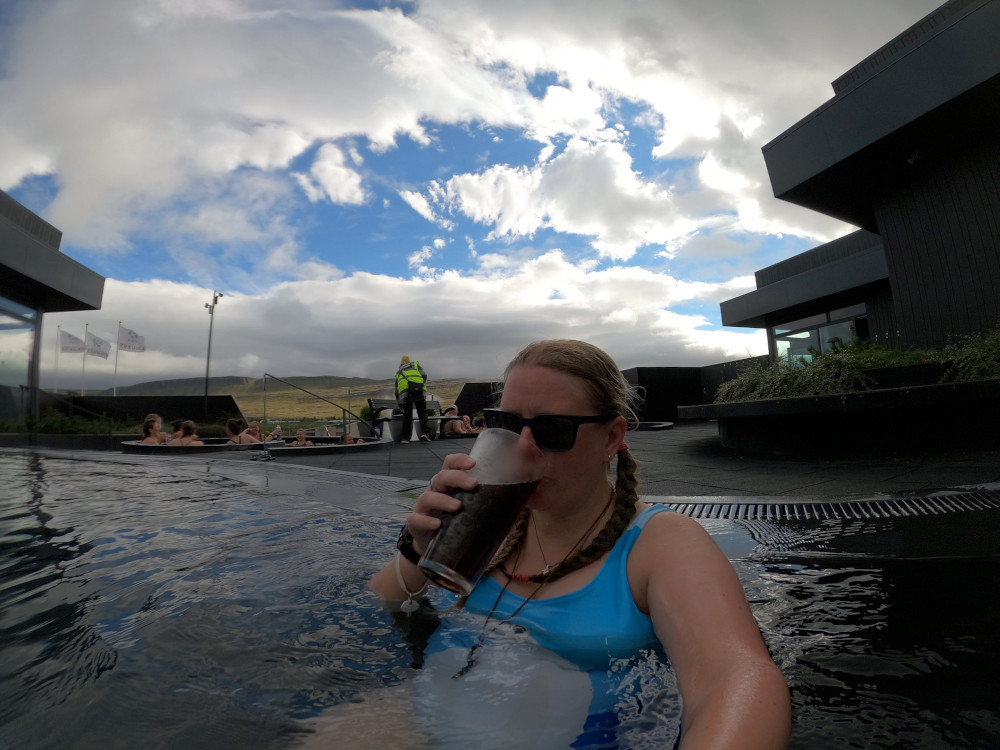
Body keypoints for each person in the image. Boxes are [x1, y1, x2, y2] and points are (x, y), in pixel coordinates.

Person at [368, 339, 790, 748]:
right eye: (508, 424)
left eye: (553, 429)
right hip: (415, 719)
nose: (524, 447)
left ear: (611, 437)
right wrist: (419, 547)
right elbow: (380, 604)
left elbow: (732, 676)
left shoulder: (661, 544)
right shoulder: (489, 524)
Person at [394, 355, 430, 444]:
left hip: (405, 394)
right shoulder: (416, 366)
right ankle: (424, 433)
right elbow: (424, 375)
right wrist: (420, 384)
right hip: (419, 391)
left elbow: (397, 391)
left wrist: (400, 406)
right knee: (422, 412)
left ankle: (405, 438)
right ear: (409, 361)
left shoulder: (399, 372)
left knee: (407, 415)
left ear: (401, 363)